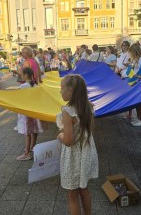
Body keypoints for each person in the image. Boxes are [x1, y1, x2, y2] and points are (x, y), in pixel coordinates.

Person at [57, 74, 98, 215]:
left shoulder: (67, 112)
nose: (60, 92)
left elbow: (68, 141)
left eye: (62, 89)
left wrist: (60, 135)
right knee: (84, 188)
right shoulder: (88, 107)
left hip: (73, 157)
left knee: (72, 194)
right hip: (86, 152)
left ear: (71, 91)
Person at [16, 67, 43, 160]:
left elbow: (16, 98)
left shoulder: (22, 87)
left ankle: (26, 153)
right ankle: (32, 147)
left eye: (22, 74)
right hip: (34, 112)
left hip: (26, 113)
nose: (21, 76)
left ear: (26, 75)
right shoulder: (36, 86)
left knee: (27, 133)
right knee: (34, 131)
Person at [127, 44, 141, 126]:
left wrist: (136, 75)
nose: (130, 54)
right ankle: (138, 118)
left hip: (140, 82)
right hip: (135, 82)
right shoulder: (135, 59)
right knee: (137, 102)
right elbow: (132, 70)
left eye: (131, 52)